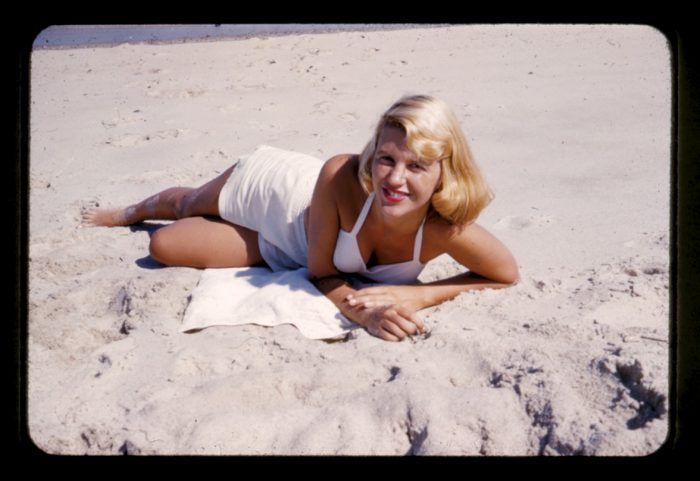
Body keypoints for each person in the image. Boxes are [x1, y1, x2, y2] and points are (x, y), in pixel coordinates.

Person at [84, 94, 519, 342]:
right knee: (186, 206)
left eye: (417, 166)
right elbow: (322, 273)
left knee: (166, 245)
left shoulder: (444, 228)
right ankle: (131, 210)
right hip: (283, 199)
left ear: (445, 170)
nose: (396, 180)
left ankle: (229, 236)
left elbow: (504, 275)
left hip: (287, 248)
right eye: (386, 158)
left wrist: (420, 297)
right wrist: (365, 314)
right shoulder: (340, 174)